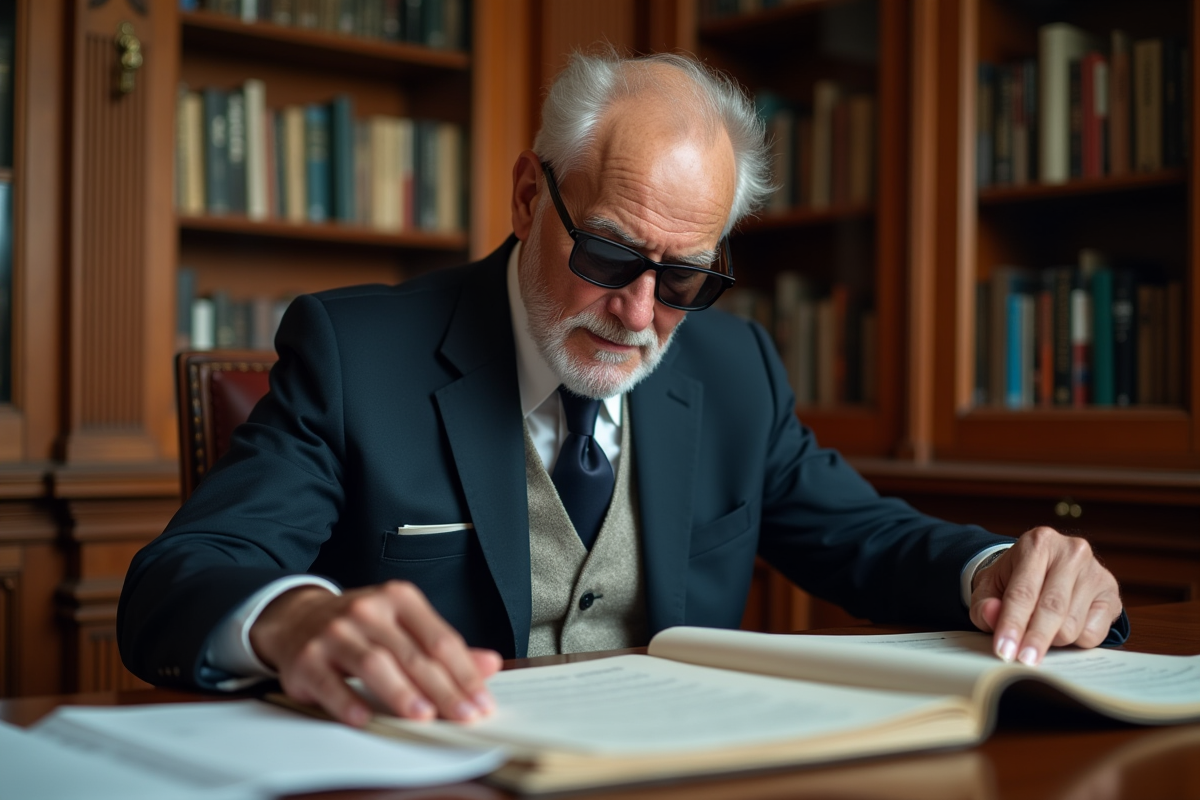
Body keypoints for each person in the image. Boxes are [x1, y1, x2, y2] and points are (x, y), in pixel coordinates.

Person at [118, 50, 1125, 729]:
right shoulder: (356, 352)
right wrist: (291, 616)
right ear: (528, 196)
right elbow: (181, 575)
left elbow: (869, 538)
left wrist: (1003, 567)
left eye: (684, 277)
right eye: (609, 253)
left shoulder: (735, 372)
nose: (640, 312)